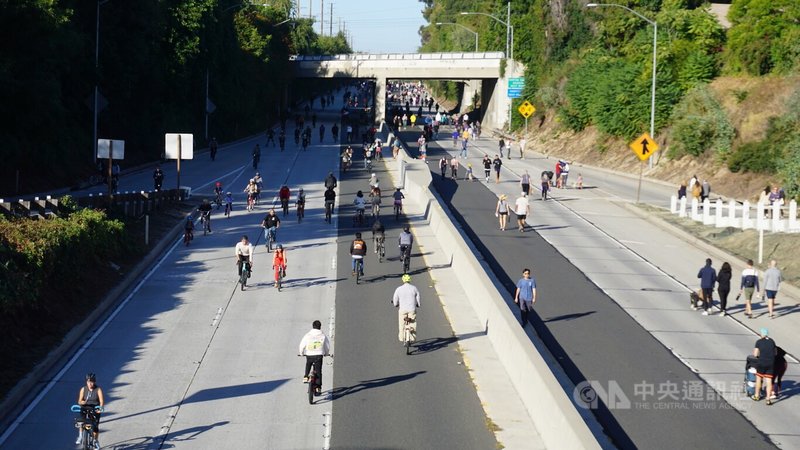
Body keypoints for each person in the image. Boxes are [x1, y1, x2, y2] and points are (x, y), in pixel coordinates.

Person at [298, 320, 331, 396]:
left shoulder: (307, 335)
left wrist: (301, 353)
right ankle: (318, 387)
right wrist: (326, 353)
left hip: (309, 355)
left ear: (313, 326)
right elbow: (327, 346)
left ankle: (306, 376)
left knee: (308, 364)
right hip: (319, 355)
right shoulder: (323, 336)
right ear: (320, 327)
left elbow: (302, 345)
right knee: (318, 371)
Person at [76, 373, 105, 448]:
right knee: (81, 421)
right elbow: (79, 401)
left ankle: (95, 441)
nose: (90, 384)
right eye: (88, 382)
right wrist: (83, 402)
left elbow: (101, 401)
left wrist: (100, 408)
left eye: (91, 382)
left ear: (94, 382)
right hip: (85, 407)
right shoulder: (83, 389)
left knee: (95, 426)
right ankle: (80, 436)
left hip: (94, 408)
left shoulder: (98, 389)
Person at [392, 274, 421, 343]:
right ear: (409, 280)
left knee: (401, 324)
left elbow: (395, 299)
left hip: (402, 310)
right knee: (412, 323)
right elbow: (418, 297)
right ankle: (412, 338)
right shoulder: (414, 288)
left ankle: (402, 337)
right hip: (412, 309)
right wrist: (418, 304)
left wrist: (395, 304)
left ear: (403, 280)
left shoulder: (399, 289)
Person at [751, 328, 776, 405]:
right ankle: (768, 399)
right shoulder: (772, 341)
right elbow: (775, 353)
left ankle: (756, 395)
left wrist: (759, 355)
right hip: (771, 363)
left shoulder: (759, 342)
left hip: (762, 363)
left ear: (761, 334)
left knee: (759, 379)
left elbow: (755, 354)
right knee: (768, 381)